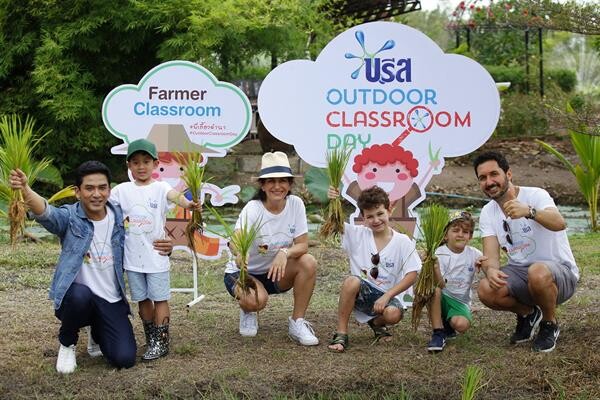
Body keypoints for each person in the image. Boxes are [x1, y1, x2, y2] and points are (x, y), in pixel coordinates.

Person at [8, 161, 173, 374]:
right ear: (77, 192)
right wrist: (25, 189)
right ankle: (68, 343)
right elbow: (47, 213)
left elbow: (146, 231)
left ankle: (97, 331)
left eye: (102, 188)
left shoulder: (122, 217)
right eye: (89, 188)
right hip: (77, 299)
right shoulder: (70, 217)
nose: (96, 194)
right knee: (79, 295)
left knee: (124, 358)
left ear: (109, 190)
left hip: (110, 299)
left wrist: (167, 245)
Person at [473, 151, 578, 353]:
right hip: (522, 275)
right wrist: (491, 271)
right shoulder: (488, 212)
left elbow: (560, 223)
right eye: (483, 178)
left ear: (508, 174)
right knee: (486, 289)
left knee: (537, 272)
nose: (489, 181)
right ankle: (529, 314)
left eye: (494, 174)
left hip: (558, 275)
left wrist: (530, 212)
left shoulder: (535, 195)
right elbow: (491, 256)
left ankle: (549, 323)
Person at [110, 139, 199, 361]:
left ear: (155, 164)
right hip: (132, 258)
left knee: (159, 299)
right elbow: (104, 206)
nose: (141, 166)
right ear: (128, 165)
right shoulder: (121, 190)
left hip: (157, 257)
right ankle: (151, 338)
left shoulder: (161, 188)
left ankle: (162, 342)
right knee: (142, 300)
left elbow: (176, 197)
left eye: (146, 161)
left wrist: (189, 205)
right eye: (136, 162)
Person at [224, 151, 319, 345]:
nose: (277, 186)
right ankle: (248, 309)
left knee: (308, 262)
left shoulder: (296, 205)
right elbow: (236, 239)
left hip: (275, 273)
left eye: (283, 180)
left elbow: (302, 245)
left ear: (290, 184)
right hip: (245, 273)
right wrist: (240, 253)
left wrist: (285, 252)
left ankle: (297, 323)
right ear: (262, 185)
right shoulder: (253, 208)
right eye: (270, 181)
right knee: (256, 301)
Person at [327, 186, 421, 352]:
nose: (376, 220)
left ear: (389, 210)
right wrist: (333, 201)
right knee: (351, 281)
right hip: (362, 295)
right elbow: (334, 223)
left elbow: (412, 274)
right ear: (363, 217)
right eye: (369, 216)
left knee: (393, 314)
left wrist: (387, 296)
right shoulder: (357, 234)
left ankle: (376, 324)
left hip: (386, 297)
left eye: (380, 214)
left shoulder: (402, 241)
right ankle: (341, 333)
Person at [425, 211, 482, 352]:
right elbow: (441, 285)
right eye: (455, 230)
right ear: (446, 235)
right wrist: (436, 267)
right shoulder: (439, 253)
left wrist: (485, 264)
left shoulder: (475, 254)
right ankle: (438, 332)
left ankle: (448, 324)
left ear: (470, 236)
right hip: (442, 297)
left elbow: (488, 267)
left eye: (465, 231)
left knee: (461, 325)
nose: (460, 234)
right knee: (435, 290)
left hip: (460, 301)